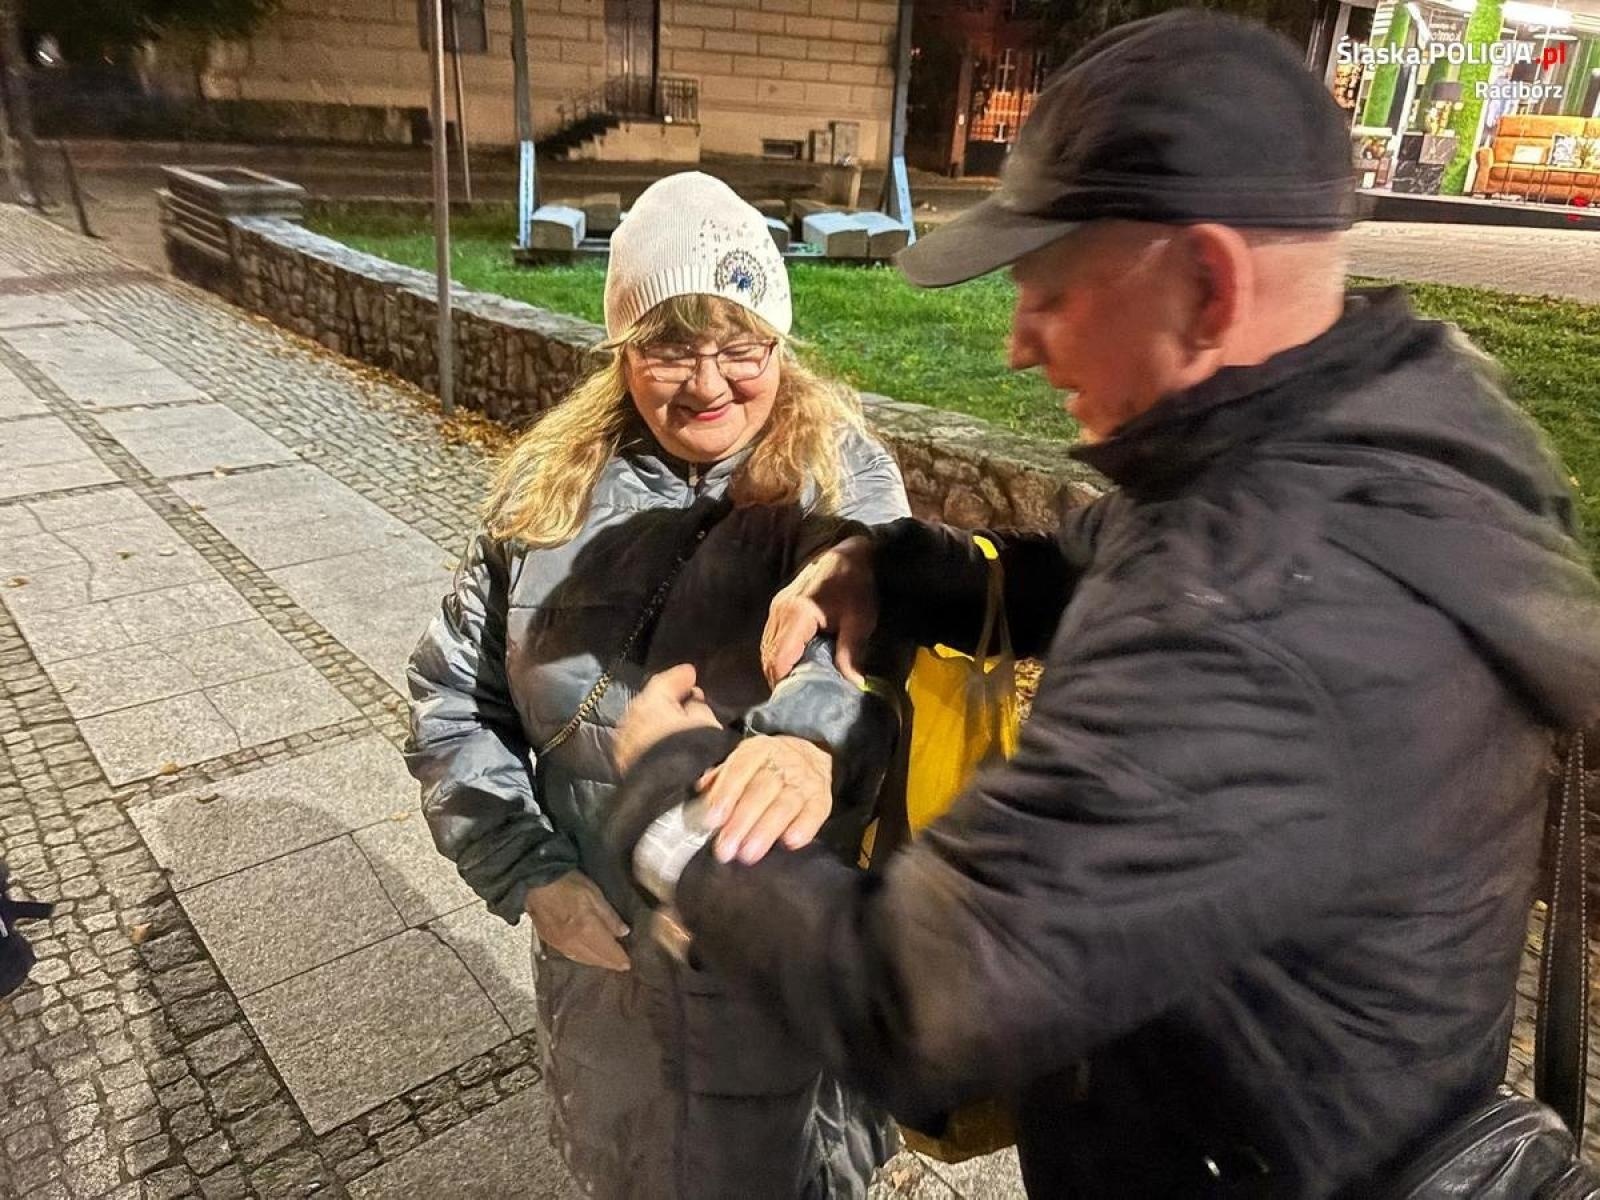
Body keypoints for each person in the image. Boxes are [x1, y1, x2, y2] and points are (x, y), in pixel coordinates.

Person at [602, 13, 1600, 1199]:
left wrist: (666, 800)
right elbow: (1097, 561)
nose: (1018, 345)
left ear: (1206, 284)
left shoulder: (1254, 630)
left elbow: (918, 996)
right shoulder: (1355, 428)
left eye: (1053, 291)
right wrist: (904, 570)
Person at [404, 171, 911, 1199]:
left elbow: (861, 645)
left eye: (742, 345)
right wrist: (529, 872)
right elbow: (453, 698)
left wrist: (804, 738)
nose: (709, 383)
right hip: (608, 976)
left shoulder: (838, 482)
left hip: (780, 962)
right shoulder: (548, 489)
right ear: (622, 350)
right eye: (670, 348)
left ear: (780, 341)